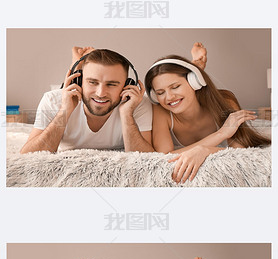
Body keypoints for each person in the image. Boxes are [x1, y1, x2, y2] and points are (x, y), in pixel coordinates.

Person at [144, 42, 271, 183]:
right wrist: (220, 134)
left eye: (175, 87)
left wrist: (204, 151)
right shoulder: (161, 112)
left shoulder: (226, 101)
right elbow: (165, 157)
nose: (168, 97)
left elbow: (239, 152)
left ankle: (196, 68)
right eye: (160, 93)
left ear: (195, 82)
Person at [20, 47, 154, 154]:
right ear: (78, 82)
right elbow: (28, 156)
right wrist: (65, 111)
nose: (100, 93)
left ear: (127, 85)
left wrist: (127, 114)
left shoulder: (138, 103)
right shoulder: (52, 100)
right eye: (92, 82)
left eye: (111, 84)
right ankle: (76, 64)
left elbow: (145, 158)